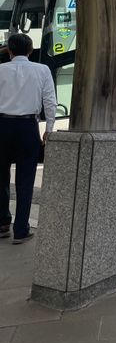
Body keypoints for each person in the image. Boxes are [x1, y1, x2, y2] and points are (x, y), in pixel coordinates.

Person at [0, 33, 56, 244]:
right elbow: (50, 101)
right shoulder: (42, 70)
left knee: (0, 177)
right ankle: (21, 229)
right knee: (25, 179)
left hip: (2, 126)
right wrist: (49, 128)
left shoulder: (0, 70)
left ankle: (2, 223)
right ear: (31, 50)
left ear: (9, 50)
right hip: (27, 126)